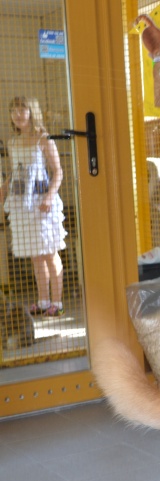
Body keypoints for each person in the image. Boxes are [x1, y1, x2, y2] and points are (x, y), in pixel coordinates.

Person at [0, 96, 66, 317]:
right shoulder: (13, 143)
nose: (18, 114)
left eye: (22, 109)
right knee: (35, 256)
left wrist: (49, 197)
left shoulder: (43, 139)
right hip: (22, 204)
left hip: (42, 203)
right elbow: (17, 172)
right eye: (14, 110)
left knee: (49, 253)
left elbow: (58, 171)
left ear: (31, 112)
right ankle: (43, 301)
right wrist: (4, 188)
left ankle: (57, 303)